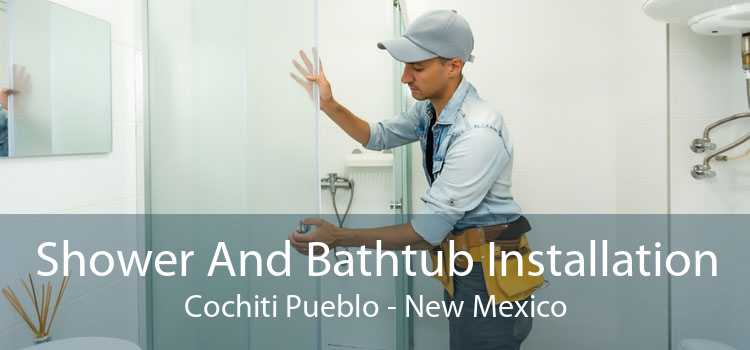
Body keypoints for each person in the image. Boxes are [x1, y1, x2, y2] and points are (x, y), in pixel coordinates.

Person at [289, 10, 540, 350]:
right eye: (406, 66)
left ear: (453, 66)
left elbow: (425, 232)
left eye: (417, 67)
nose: (405, 78)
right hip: (467, 268)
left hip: (489, 278)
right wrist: (329, 105)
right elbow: (377, 136)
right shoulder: (429, 111)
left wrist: (338, 237)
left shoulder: (478, 132)